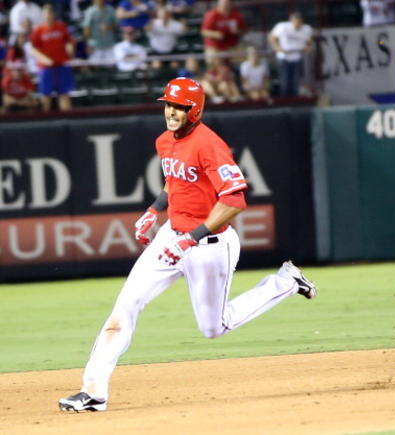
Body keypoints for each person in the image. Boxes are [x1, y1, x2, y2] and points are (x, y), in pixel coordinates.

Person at [58, 77, 317, 412]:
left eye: (178, 106)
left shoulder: (209, 144)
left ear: (194, 110)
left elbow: (234, 200)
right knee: (125, 306)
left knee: (213, 328)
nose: (170, 111)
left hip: (209, 244)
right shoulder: (165, 141)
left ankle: (284, 281)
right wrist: (154, 210)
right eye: (168, 104)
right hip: (170, 237)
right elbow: (175, 180)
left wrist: (190, 240)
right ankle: (93, 391)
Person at [30, 4, 75, 112]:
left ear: (54, 14)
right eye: (46, 14)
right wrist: (44, 59)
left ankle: (68, 122)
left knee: (64, 94)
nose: (48, 16)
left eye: (50, 13)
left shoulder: (61, 26)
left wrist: (70, 49)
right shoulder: (38, 30)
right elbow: (33, 50)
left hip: (62, 65)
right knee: (46, 96)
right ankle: (46, 123)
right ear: (42, 16)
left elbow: (69, 41)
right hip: (46, 68)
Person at [268, 11, 313, 97]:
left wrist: (308, 47)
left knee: (296, 80)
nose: (297, 24)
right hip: (284, 57)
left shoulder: (306, 29)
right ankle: (285, 99)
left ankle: (294, 98)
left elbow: (309, 41)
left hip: (297, 57)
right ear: (291, 21)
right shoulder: (282, 27)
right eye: (295, 22)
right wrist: (277, 47)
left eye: (299, 22)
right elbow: (272, 37)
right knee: (285, 80)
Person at [200, 0, 246, 64]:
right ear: (219, 4)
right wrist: (215, 34)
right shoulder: (211, 15)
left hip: (232, 45)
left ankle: (236, 73)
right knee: (212, 59)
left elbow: (244, 30)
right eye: (224, 3)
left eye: (227, 3)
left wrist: (237, 31)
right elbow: (204, 32)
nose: (225, 5)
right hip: (215, 46)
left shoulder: (236, 15)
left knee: (243, 57)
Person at [82, 0, 117, 67]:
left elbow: (117, 25)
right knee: (94, 67)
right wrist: (88, 45)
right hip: (95, 45)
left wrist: (109, 27)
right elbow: (86, 29)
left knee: (111, 66)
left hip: (109, 44)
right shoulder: (90, 11)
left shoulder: (110, 9)